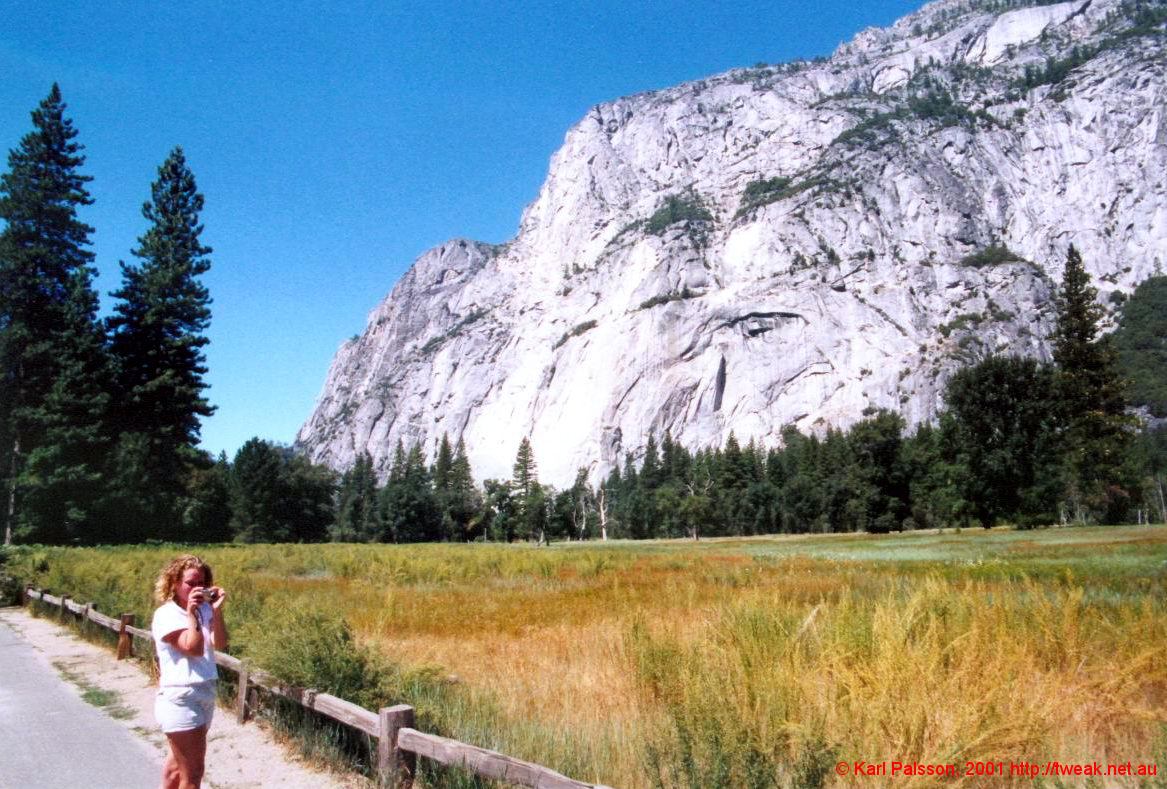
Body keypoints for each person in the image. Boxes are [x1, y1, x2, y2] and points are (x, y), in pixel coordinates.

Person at [151, 555, 228, 789]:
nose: (196, 588)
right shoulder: (166, 614)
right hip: (181, 695)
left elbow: (220, 643)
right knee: (193, 775)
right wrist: (191, 613)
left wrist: (216, 611)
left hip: (205, 691)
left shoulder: (205, 609)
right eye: (190, 583)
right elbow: (192, 648)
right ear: (174, 583)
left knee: (176, 770)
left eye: (201, 583)